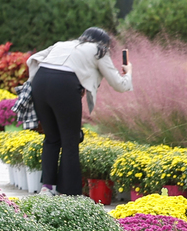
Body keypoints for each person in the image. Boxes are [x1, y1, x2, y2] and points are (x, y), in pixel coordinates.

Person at [26, 28, 132, 196]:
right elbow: (119, 84)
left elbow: (34, 58)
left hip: (40, 82)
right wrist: (129, 73)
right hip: (64, 85)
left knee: (52, 138)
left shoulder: (63, 44)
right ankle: (68, 193)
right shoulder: (99, 50)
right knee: (70, 140)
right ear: (104, 43)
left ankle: (47, 187)